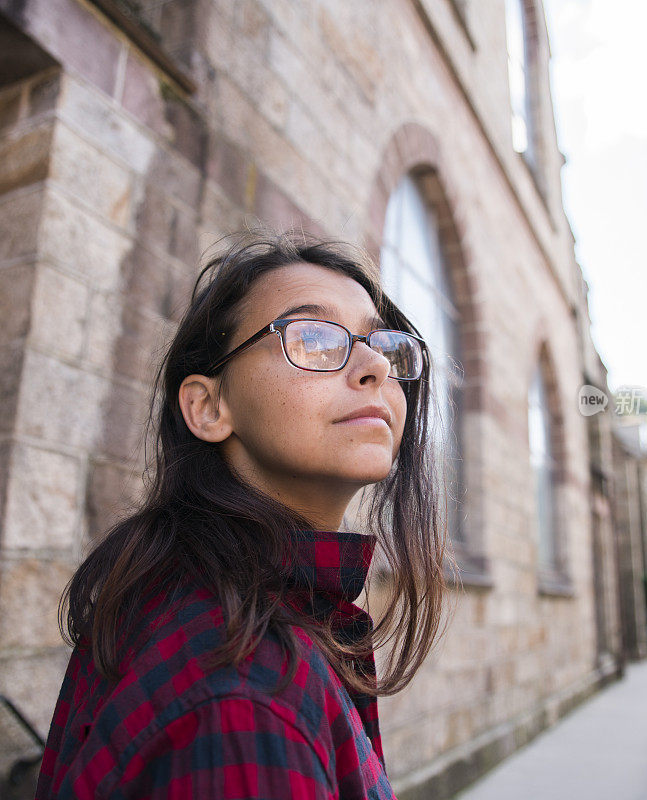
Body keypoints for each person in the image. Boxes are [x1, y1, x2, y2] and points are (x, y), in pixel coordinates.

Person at [35, 230, 454, 799]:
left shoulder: (202, 590)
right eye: (314, 337)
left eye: (383, 345)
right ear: (209, 407)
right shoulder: (246, 690)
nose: (375, 366)